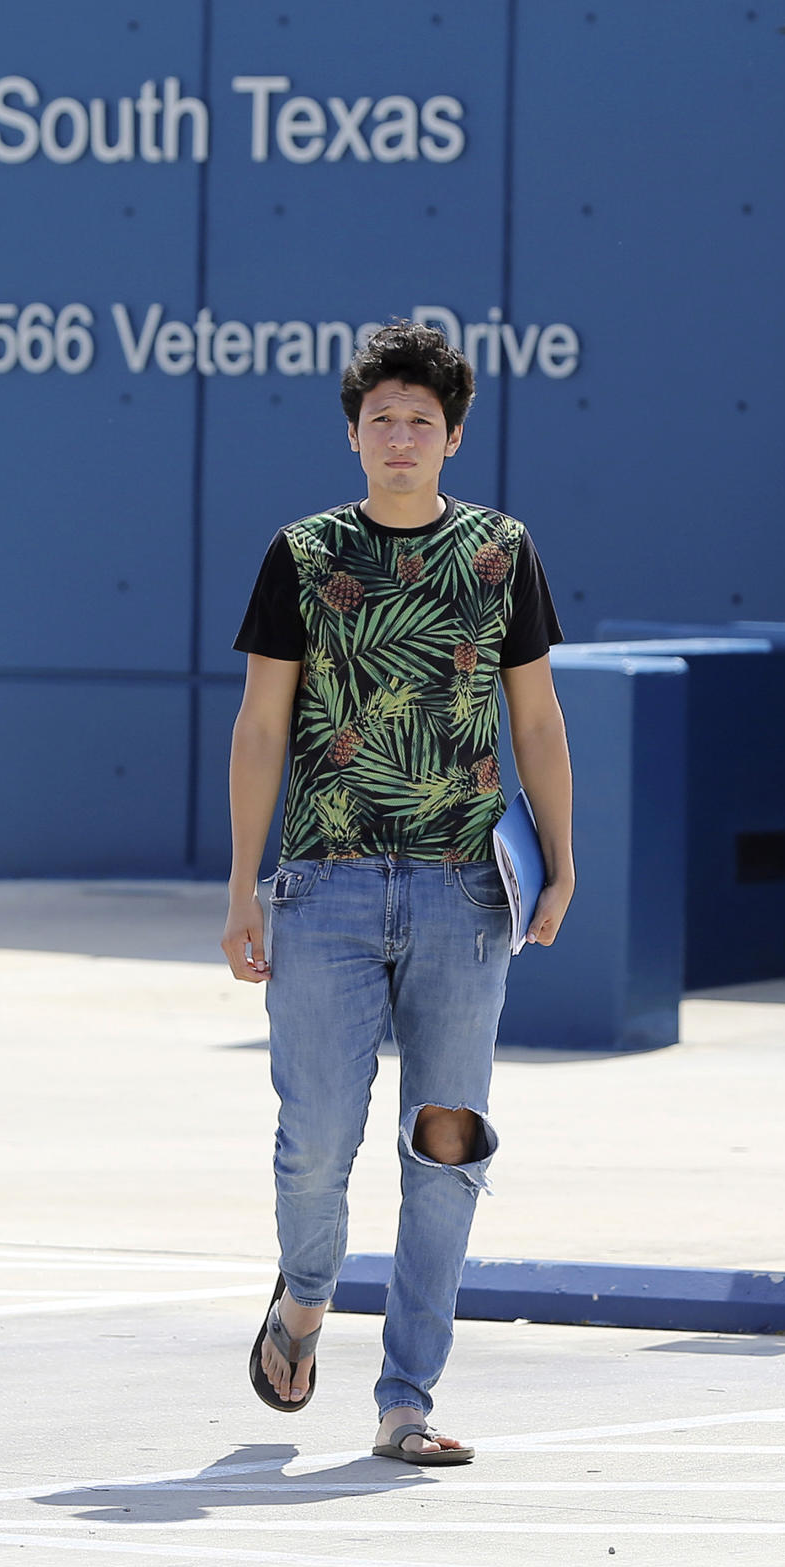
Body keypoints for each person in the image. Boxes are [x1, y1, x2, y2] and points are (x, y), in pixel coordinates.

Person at [221, 320, 574, 1465]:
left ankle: (406, 1396)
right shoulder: (304, 553)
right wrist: (242, 882)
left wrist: (561, 857)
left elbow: (535, 718)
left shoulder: (499, 553)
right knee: (317, 1141)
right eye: (383, 418)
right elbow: (263, 721)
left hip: (465, 890)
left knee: (447, 1138)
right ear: (355, 434)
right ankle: (307, 1294)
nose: (402, 435)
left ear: (454, 434)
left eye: (423, 419)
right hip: (323, 881)